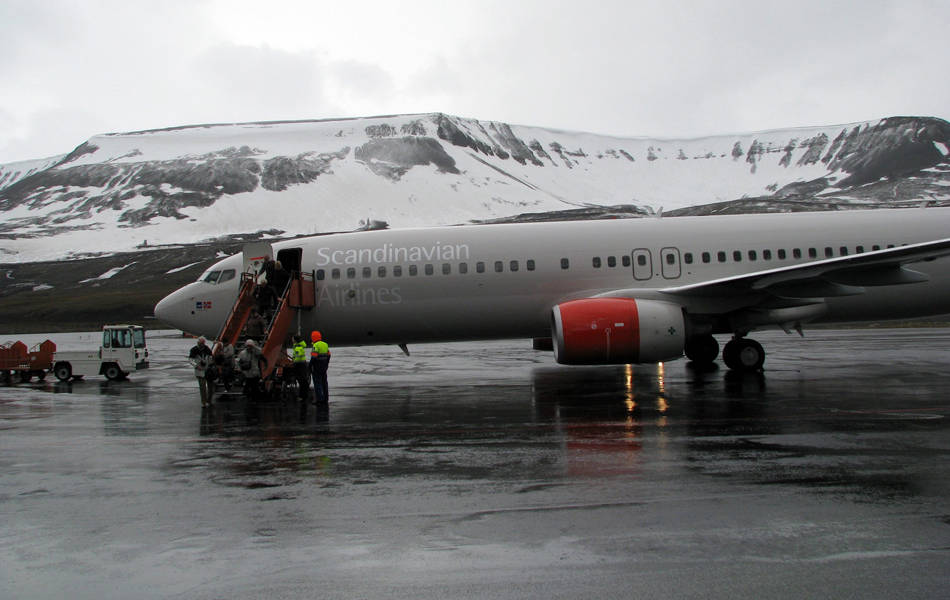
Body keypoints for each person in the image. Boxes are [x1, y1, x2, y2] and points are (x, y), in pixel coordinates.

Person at [188, 337, 214, 406]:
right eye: (200, 343)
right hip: (199, 371)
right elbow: (190, 360)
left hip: (208, 370)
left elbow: (211, 357)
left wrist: (210, 364)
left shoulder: (207, 349)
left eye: (202, 343)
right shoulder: (194, 350)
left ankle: (209, 400)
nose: (201, 344)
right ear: (198, 343)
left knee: (210, 387)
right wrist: (196, 366)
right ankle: (204, 402)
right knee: (202, 387)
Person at [309, 330, 330, 404]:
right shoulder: (325, 344)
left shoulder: (315, 345)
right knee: (324, 383)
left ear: (313, 338)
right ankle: (326, 398)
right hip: (324, 367)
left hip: (317, 367)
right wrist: (327, 364)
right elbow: (329, 355)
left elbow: (313, 357)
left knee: (317, 383)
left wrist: (310, 366)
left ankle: (319, 399)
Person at [291, 334, 310, 401]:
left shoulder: (298, 348)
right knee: (303, 381)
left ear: (295, 340)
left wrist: (294, 362)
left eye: (292, 338)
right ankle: (304, 395)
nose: (291, 340)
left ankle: (302, 396)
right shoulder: (297, 347)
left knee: (302, 381)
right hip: (301, 365)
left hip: (299, 365)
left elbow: (298, 357)